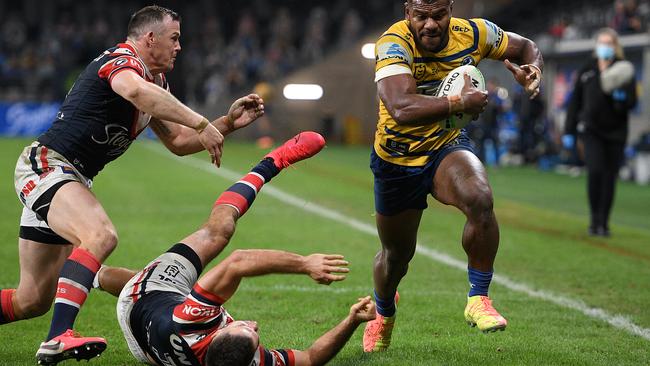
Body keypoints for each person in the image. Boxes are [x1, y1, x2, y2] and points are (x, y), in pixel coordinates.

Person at [3, 5, 265, 363]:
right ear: (149, 38)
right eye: (174, 38)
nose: (179, 47)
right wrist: (203, 123)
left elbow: (177, 141)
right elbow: (134, 91)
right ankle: (58, 337)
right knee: (101, 236)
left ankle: (55, 326)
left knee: (31, 300)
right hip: (48, 166)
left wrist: (227, 123)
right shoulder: (123, 60)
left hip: (70, 177)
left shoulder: (155, 83)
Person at [96, 131, 374, 366]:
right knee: (162, 285)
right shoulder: (242, 360)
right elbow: (311, 358)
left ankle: (272, 162)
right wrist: (352, 320)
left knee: (218, 233)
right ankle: (89, 275)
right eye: (256, 336)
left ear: (217, 331)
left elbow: (238, 261)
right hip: (146, 350)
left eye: (245, 327)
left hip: (143, 298)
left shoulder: (192, 321)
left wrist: (305, 264)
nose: (255, 325)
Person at [364, 0, 544, 352]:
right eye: (421, 16)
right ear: (407, 14)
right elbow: (400, 107)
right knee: (396, 257)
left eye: (438, 15)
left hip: (446, 145)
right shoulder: (393, 43)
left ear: (450, 10)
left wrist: (533, 68)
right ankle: (383, 313)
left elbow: (526, 47)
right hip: (397, 159)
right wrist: (459, 104)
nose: (430, 24)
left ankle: (478, 298)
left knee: (479, 197)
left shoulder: (473, 33)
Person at [564, 28, 637, 237]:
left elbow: (632, 102)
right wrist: (569, 130)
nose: (605, 47)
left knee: (609, 177)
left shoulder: (623, 69)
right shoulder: (587, 69)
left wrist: (621, 100)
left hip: (616, 132)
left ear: (615, 46)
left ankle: (604, 222)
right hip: (591, 131)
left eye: (609, 43)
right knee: (595, 172)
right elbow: (575, 101)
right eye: (602, 42)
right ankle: (594, 220)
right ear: (597, 45)